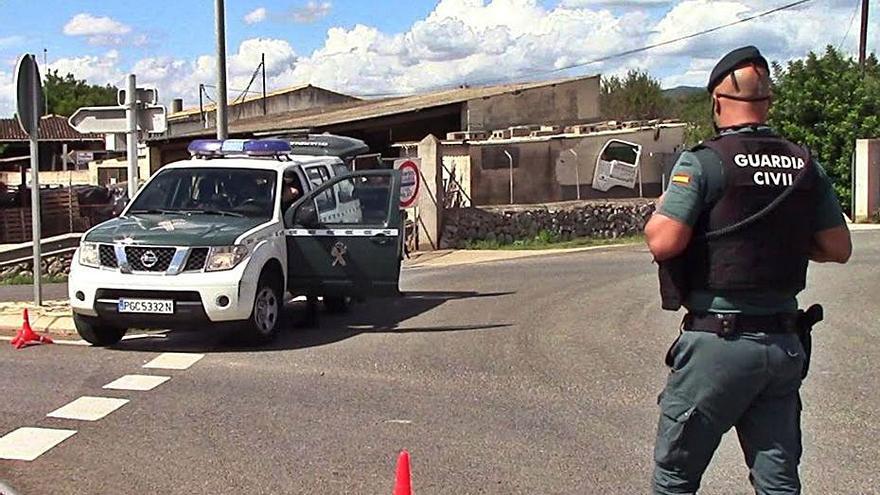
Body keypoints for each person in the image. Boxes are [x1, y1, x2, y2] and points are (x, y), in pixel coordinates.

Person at [644, 46, 852, 495]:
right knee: (778, 484)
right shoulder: (803, 164)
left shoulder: (704, 161)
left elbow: (664, 241)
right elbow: (838, 247)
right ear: (769, 102)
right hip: (782, 345)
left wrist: (661, 211)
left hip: (718, 344)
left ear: (717, 102)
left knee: (675, 479)